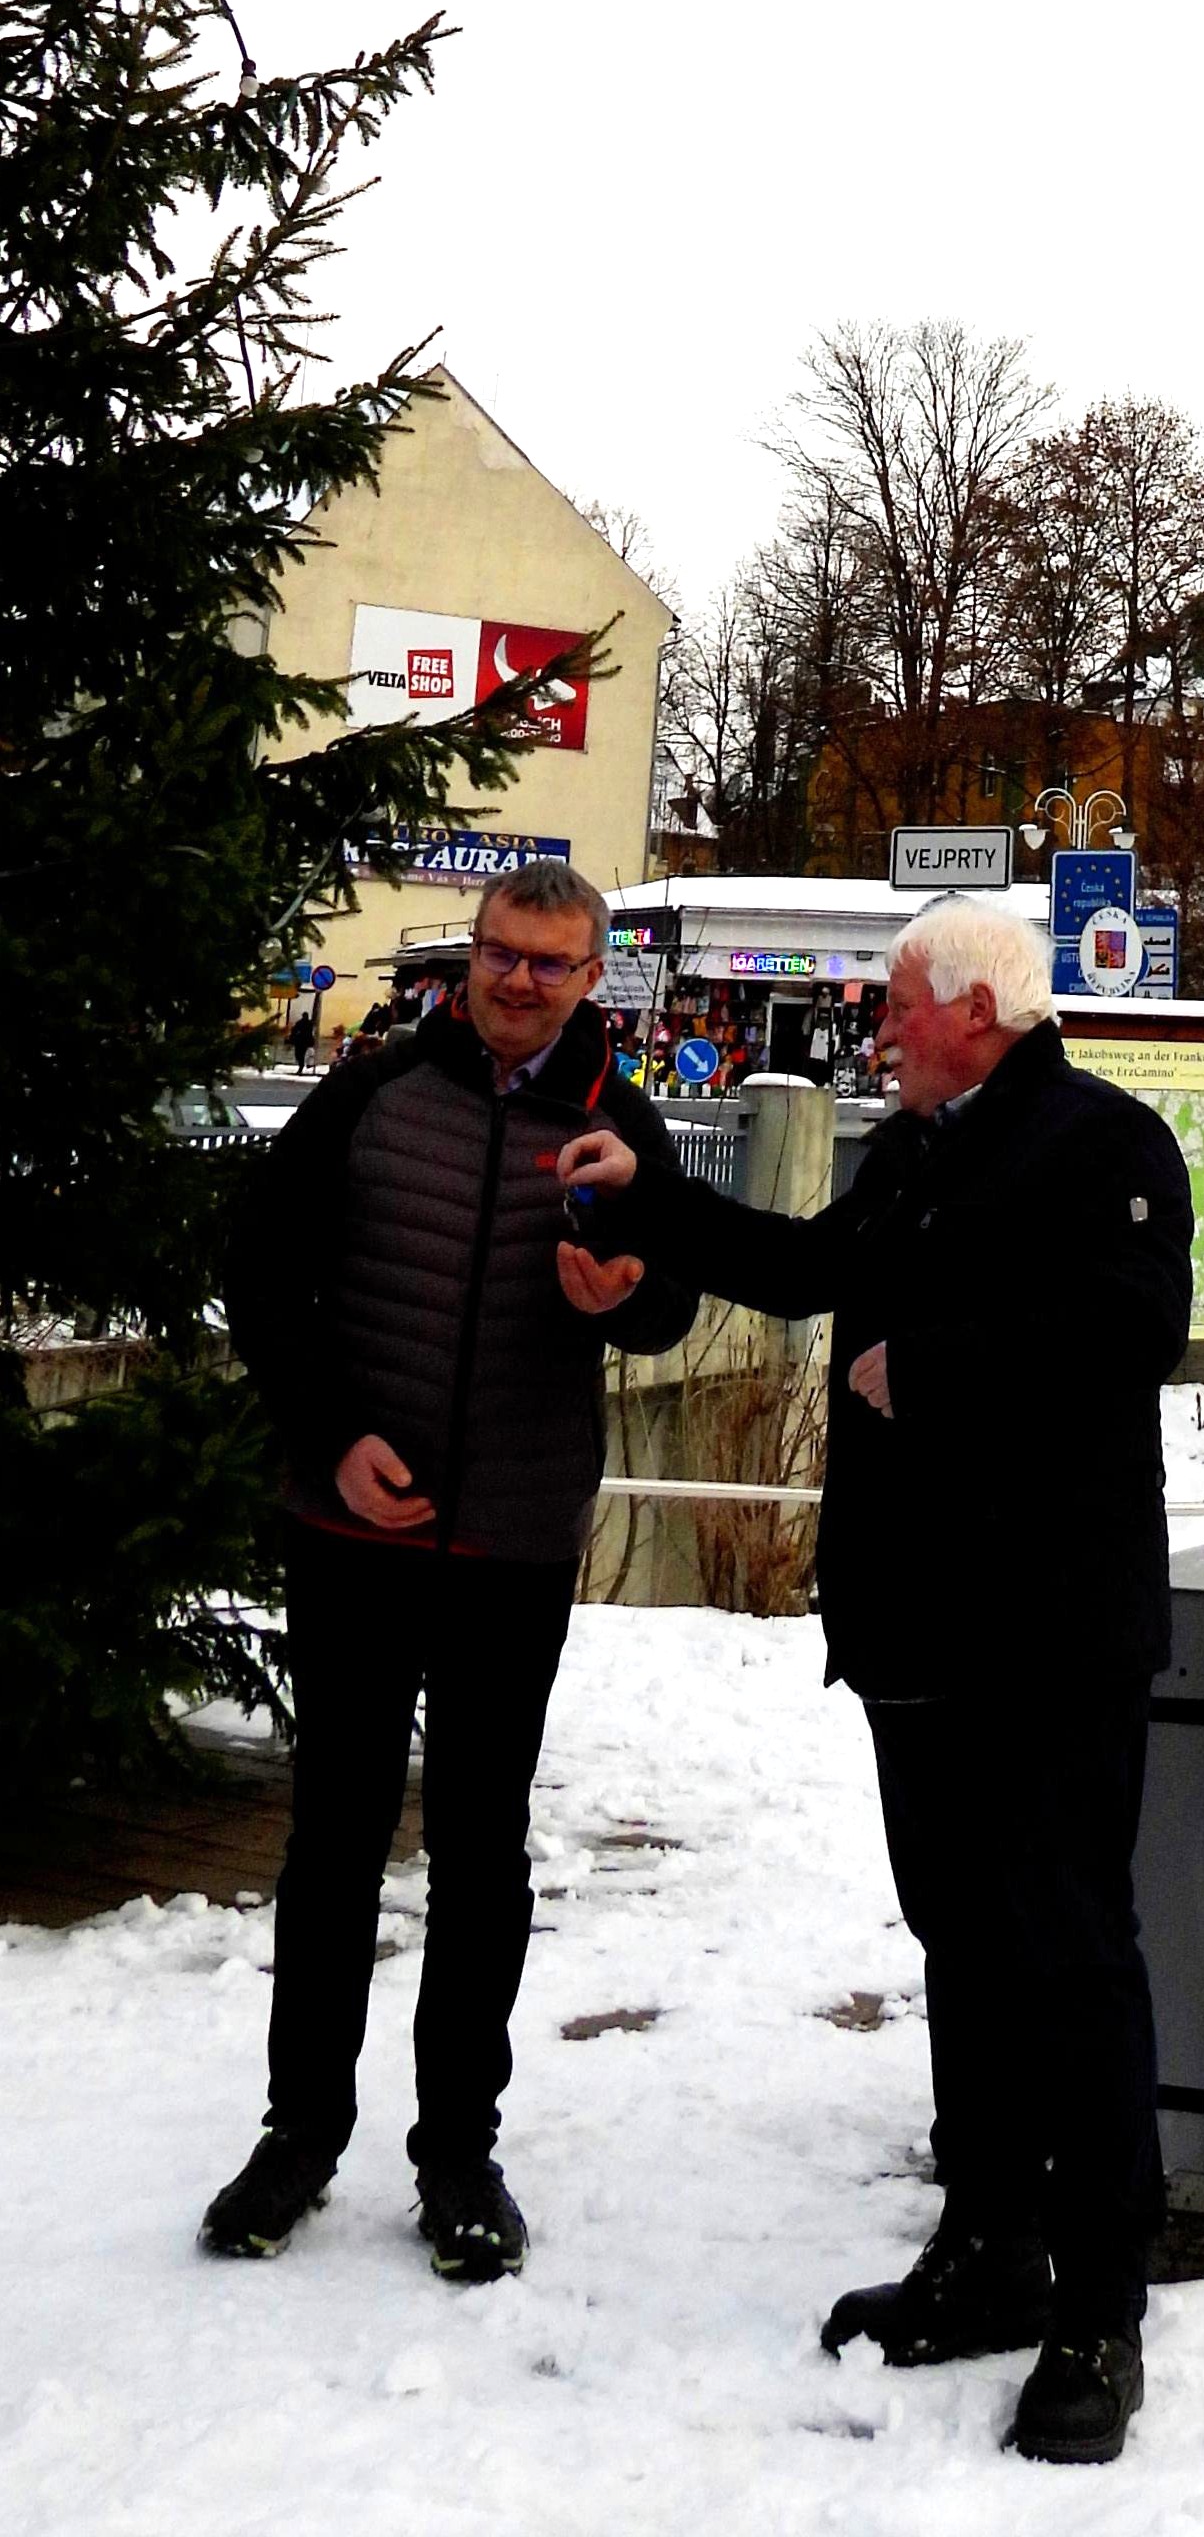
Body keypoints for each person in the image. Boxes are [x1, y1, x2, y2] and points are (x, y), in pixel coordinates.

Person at [560, 894, 1192, 2471]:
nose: (879, 1027)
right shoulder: (913, 1149)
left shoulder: (1103, 1140)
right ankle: (989, 2245)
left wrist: (936, 1364)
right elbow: (799, 1272)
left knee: (1071, 1953)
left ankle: (1099, 2308)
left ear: (977, 1009)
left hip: (1050, 1632)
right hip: (919, 1628)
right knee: (963, 1943)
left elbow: (1136, 1326)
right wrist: (654, 1196)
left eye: (898, 1003)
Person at [206, 861, 700, 2280]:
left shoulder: (618, 1126)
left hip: (511, 1543)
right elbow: (260, 1275)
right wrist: (333, 1436)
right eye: (500, 954)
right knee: (334, 1842)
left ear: (591, 979)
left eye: (549, 963)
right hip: (352, 1527)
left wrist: (623, 1298)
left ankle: (459, 2156)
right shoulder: (372, 1093)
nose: (518, 981)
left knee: (483, 1855)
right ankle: (299, 2135)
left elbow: (668, 1302)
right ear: (469, 958)